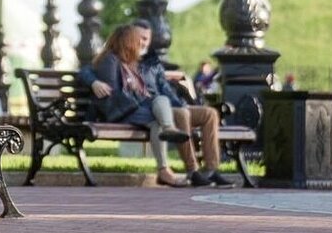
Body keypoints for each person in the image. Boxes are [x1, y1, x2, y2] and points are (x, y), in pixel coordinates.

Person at [83, 20, 236, 189]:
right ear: (128, 40)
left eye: (145, 39)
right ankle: (193, 170)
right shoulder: (115, 59)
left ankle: (211, 170)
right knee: (178, 114)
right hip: (145, 108)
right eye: (138, 38)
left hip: (162, 106)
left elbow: (165, 87)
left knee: (209, 113)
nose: (141, 42)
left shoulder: (149, 61)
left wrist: (180, 104)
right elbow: (89, 71)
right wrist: (93, 82)